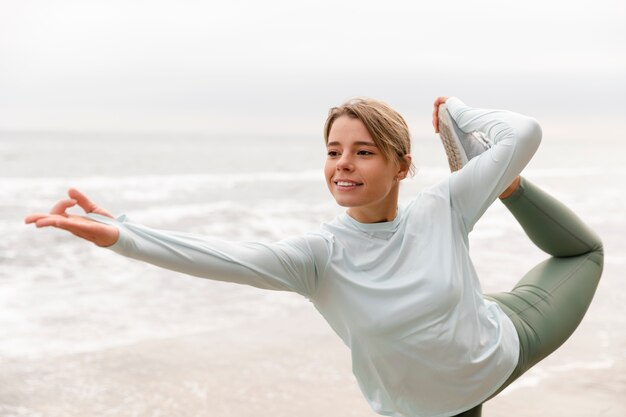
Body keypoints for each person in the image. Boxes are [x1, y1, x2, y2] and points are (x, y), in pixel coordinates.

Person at [25, 96, 604, 417]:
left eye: (364, 151)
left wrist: (459, 112)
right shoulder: (318, 257)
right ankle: (497, 183)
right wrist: (120, 234)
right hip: (432, 408)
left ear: (402, 165)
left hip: (504, 342)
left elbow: (522, 130)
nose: (343, 163)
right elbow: (217, 256)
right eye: (333, 151)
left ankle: (507, 186)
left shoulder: (440, 208)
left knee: (586, 253)